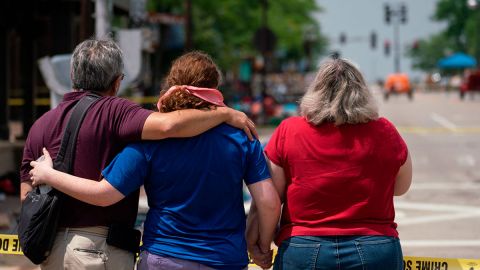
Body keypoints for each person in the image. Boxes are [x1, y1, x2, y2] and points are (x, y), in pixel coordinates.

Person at [29, 51, 281, 270]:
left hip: (163, 257)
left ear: (172, 83)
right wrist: (259, 244)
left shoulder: (150, 140)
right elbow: (269, 203)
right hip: (224, 259)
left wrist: (49, 175)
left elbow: (104, 194)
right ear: (215, 87)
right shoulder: (242, 137)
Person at [247, 58, 412, 270]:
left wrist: (261, 242)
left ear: (315, 91)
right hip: (375, 248)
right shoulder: (385, 131)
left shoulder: (289, 131)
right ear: (362, 93)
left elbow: (270, 198)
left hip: (303, 248)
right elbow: (401, 187)